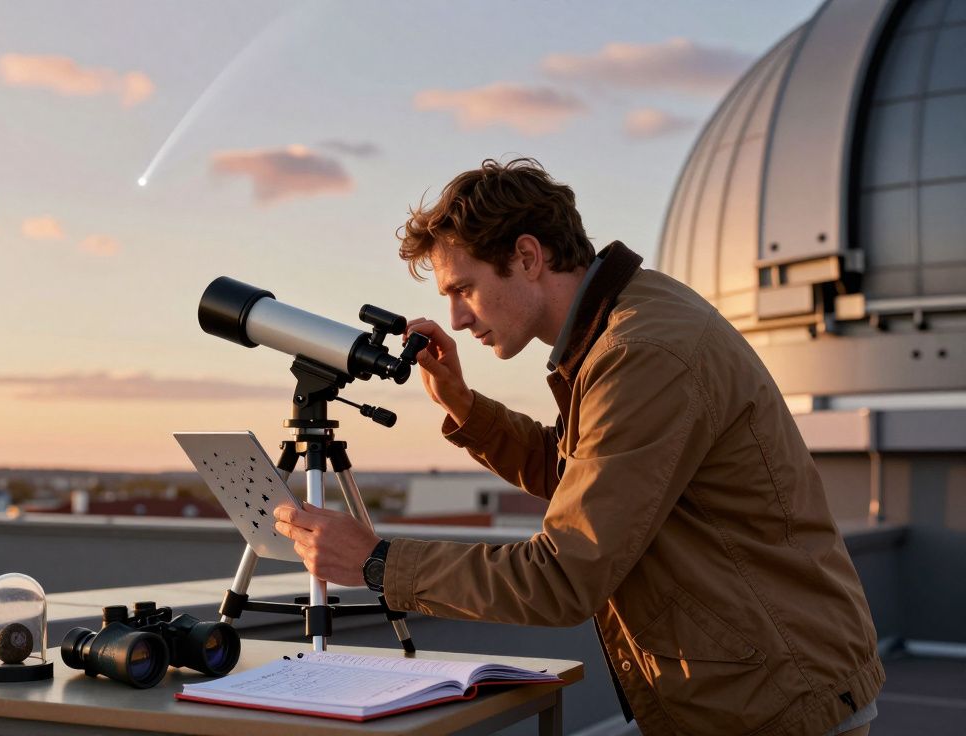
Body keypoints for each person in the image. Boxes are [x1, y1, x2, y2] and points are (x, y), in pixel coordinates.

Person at [273, 158, 883, 735]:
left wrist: (378, 563)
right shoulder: (623, 323)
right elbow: (581, 476)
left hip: (775, 701)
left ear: (528, 256)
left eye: (464, 289)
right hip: (758, 688)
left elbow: (564, 576)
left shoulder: (641, 353)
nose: (456, 318)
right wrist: (463, 406)